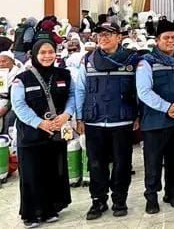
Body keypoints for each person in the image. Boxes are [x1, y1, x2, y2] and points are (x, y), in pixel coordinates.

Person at [75, 22, 141, 220]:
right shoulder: (88, 60)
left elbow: (139, 90)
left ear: (119, 37)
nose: (103, 38)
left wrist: (138, 114)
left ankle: (120, 200)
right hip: (94, 122)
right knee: (96, 164)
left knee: (122, 164)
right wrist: (80, 117)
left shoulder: (132, 60)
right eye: (100, 35)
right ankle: (98, 200)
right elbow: (80, 90)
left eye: (108, 34)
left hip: (122, 121)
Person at [136, 20, 174, 214]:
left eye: (173, 37)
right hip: (155, 121)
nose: (170, 41)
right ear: (157, 40)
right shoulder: (147, 61)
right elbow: (144, 91)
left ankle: (172, 193)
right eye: (166, 38)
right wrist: (168, 107)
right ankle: (151, 197)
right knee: (153, 162)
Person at [11, 41, 75, 227]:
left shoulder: (64, 75)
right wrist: (39, 123)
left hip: (56, 131)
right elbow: (18, 105)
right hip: (31, 134)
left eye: (51, 52)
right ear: (34, 55)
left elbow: (72, 96)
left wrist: (66, 114)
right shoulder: (22, 78)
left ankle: (50, 209)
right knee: (31, 174)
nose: (47, 56)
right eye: (43, 52)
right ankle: (31, 214)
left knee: (54, 171)